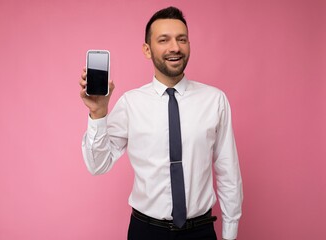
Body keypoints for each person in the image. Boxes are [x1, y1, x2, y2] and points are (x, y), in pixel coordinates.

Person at [79, 6, 243, 240]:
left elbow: (228, 171)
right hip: (146, 231)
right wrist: (98, 113)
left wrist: (230, 233)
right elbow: (97, 165)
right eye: (164, 40)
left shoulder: (215, 100)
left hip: (201, 231)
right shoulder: (130, 103)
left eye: (182, 39)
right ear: (147, 50)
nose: (175, 47)